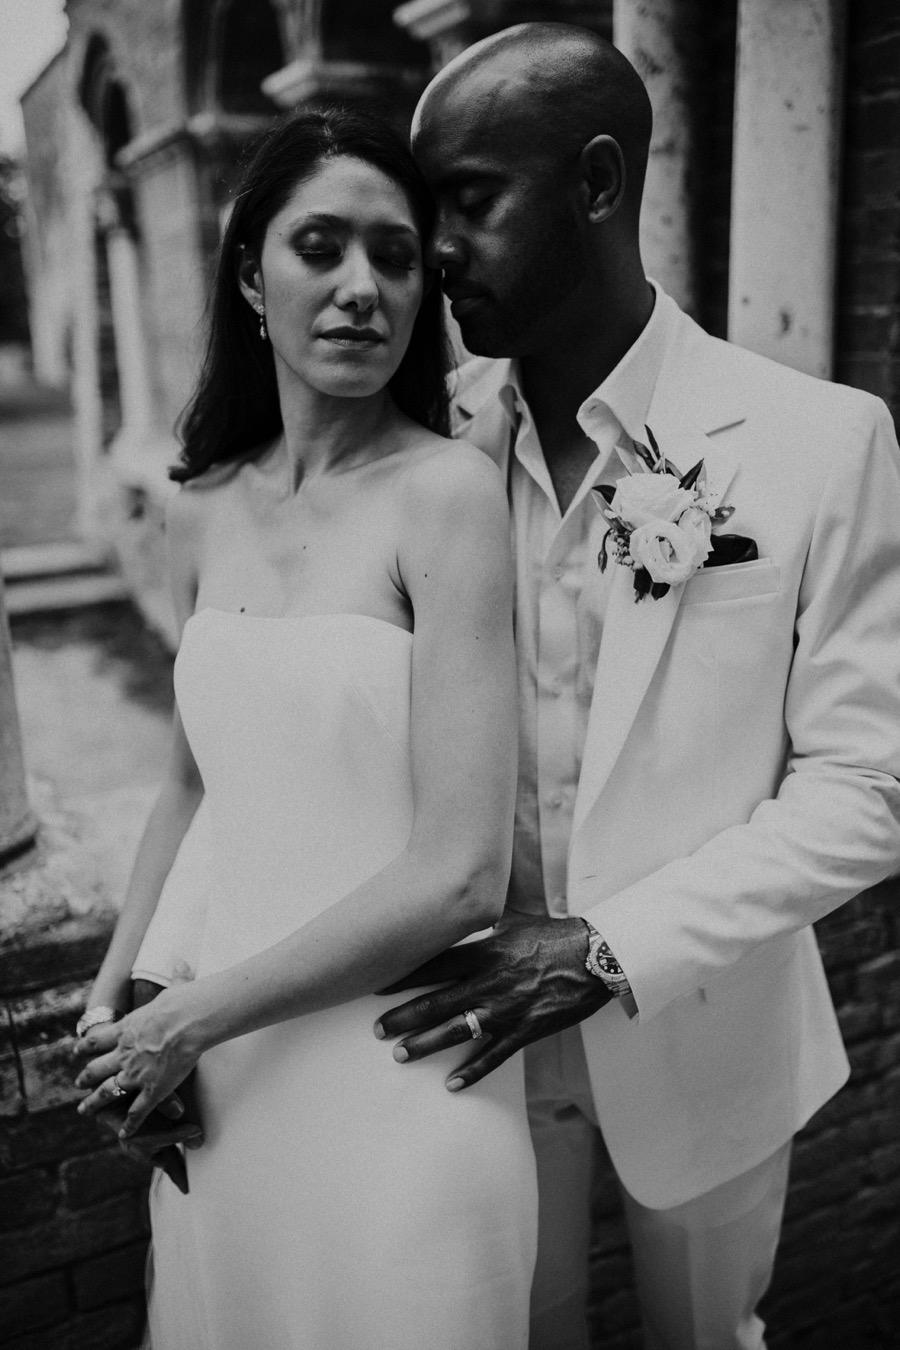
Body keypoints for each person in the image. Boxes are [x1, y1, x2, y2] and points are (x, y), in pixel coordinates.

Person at [373, 23, 900, 1350]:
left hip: (707, 1033)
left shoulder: (818, 442)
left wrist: (612, 949)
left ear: (599, 184)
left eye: (470, 199)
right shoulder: (423, 458)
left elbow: (870, 788)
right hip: (467, 1036)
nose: (433, 249)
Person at [72, 107, 538, 1350]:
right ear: (247, 273)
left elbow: (460, 875)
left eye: (395, 257)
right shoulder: (200, 507)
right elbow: (192, 780)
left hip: (397, 1064)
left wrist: (194, 1014)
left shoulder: (445, 498)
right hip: (228, 1085)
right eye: (319, 246)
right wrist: (118, 996)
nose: (359, 289)